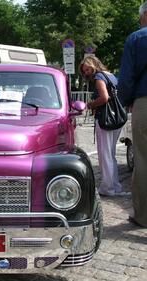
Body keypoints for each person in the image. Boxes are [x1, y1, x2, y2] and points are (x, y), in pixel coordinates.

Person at [117, 1, 147, 227]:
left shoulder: (136, 38)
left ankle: (144, 217)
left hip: (144, 102)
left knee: (143, 160)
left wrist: (127, 102)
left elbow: (126, 79)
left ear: (144, 15)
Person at [79, 56, 125, 197]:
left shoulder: (99, 77)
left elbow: (105, 98)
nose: (86, 73)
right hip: (117, 117)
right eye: (84, 71)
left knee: (105, 155)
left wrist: (90, 104)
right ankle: (116, 187)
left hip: (106, 119)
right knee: (111, 155)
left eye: (87, 69)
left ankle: (107, 188)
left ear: (94, 65)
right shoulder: (111, 75)